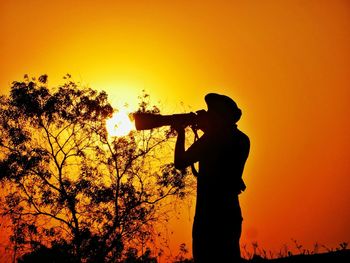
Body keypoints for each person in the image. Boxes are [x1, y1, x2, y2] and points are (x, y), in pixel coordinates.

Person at [173, 93, 250, 263]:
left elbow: (180, 162)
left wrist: (181, 133)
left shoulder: (211, 140)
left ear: (219, 118)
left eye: (211, 114)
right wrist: (208, 129)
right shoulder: (242, 139)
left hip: (208, 215)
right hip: (230, 211)